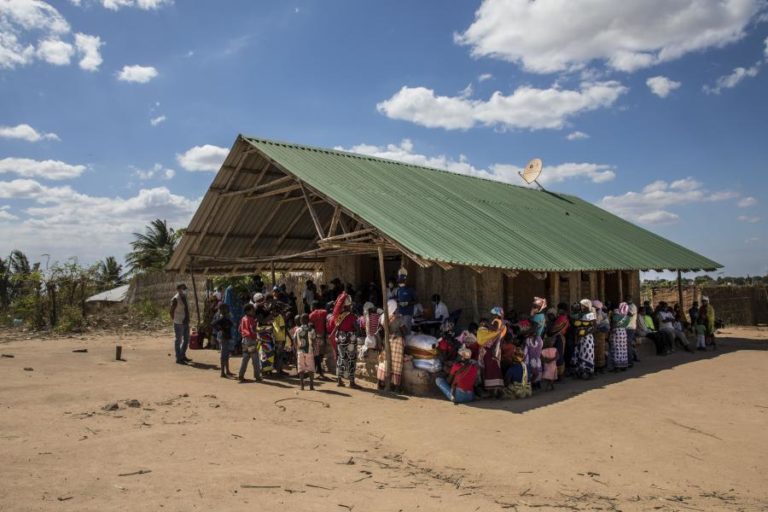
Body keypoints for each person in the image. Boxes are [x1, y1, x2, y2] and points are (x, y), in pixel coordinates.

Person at [329, 291, 360, 388]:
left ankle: (339, 381)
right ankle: (351, 382)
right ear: (349, 305)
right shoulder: (351, 316)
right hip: (350, 339)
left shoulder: (339, 316)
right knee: (351, 360)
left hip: (341, 339)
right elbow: (357, 328)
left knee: (341, 359)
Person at [377, 300, 407, 391]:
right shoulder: (398, 318)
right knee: (397, 364)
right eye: (396, 307)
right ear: (394, 308)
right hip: (396, 343)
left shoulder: (382, 317)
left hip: (386, 342)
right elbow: (404, 331)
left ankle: (380, 384)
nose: (397, 309)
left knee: (384, 362)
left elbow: (380, 331)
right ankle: (396, 387)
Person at [476, 307, 506, 397]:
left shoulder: (497, 321)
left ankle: (492, 391)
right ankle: (497, 390)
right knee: (495, 368)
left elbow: (494, 330)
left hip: (491, 350)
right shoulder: (503, 324)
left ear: (497, 314)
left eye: (493, 314)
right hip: (496, 349)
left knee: (490, 369)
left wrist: (486, 324)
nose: (492, 316)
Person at [573, 299, 596, 379]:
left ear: (586, 306)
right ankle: (580, 371)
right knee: (580, 353)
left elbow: (594, 327)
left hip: (587, 338)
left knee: (587, 354)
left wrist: (585, 332)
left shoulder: (590, 315)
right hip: (580, 338)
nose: (581, 307)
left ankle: (588, 372)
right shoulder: (581, 314)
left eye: (582, 305)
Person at [238, 304, 261, 382]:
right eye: (253, 310)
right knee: (255, 359)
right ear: (248, 311)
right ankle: (257, 376)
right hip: (251, 341)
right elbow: (253, 329)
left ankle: (240, 375)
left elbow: (239, 329)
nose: (254, 311)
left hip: (244, 340)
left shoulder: (243, 319)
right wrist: (259, 331)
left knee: (245, 358)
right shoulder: (251, 319)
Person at [169, 283, 191, 365]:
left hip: (185, 321)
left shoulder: (184, 296)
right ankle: (178, 358)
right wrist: (175, 320)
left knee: (186, 339)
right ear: (178, 289)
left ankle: (182, 355)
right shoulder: (175, 298)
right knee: (178, 340)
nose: (183, 290)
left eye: (184, 288)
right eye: (182, 288)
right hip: (179, 321)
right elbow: (171, 311)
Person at [293, 314, 316, 390]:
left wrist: (296, 348)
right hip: (309, 351)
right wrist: (314, 349)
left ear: (301, 321)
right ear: (308, 320)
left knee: (301, 368)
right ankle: (311, 386)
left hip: (300, 351)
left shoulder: (297, 330)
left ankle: (302, 386)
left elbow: (295, 340)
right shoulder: (311, 330)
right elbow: (314, 340)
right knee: (311, 368)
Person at [546, 304, 570, 377]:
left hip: (558, 338)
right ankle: (559, 374)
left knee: (558, 355)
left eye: (559, 309)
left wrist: (549, 332)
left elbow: (553, 330)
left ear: (562, 310)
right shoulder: (564, 317)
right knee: (559, 354)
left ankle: (559, 374)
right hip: (560, 337)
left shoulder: (561, 318)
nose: (558, 310)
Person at [212, 303, 234, 378]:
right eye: (225, 309)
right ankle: (222, 372)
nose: (227, 310)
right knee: (223, 355)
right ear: (221, 310)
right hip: (223, 337)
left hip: (227, 337)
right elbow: (213, 324)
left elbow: (231, 324)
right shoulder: (221, 318)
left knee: (226, 354)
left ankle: (227, 371)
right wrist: (220, 329)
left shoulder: (226, 317)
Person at [308, 301, 328, 378]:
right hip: (322, 336)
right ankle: (318, 369)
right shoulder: (324, 312)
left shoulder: (311, 315)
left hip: (315, 337)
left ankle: (318, 370)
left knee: (316, 354)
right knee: (321, 353)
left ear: (312, 306)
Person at [610, 302, 631, 371]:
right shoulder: (627, 317)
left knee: (617, 348)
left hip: (616, 332)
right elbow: (626, 325)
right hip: (623, 332)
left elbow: (614, 325)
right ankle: (624, 365)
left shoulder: (616, 316)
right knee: (623, 348)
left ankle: (617, 366)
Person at [593, 300, 609, 372]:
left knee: (599, 350)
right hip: (599, 334)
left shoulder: (601, 314)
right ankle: (599, 366)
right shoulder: (602, 314)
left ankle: (600, 366)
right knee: (598, 350)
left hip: (598, 334)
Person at [625, 297, 639, 365]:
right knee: (631, 343)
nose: (627, 300)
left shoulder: (633, 306)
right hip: (627, 327)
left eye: (628, 299)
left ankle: (630, 361)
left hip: (630, 327)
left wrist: (623, 310)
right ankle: (635, 357)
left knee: (628, 343)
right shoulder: (626, 306)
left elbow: (630, 314)